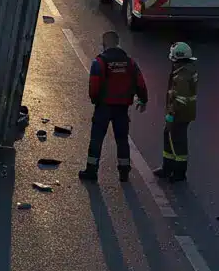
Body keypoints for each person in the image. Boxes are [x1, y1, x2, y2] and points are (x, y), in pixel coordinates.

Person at [78, 31, 149, 183]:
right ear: (117, 43)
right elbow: (140, 82)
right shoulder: (129, 62)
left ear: (104, 44)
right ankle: (124, 172)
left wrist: (95, 100)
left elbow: (94, 85)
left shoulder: (100, 62)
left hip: (103, 107)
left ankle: (91, 171)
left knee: (96, 139)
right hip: (122, 108)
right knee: (122, 140)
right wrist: (143, 100)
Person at [153, 42, 198, 183]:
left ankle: (179, 172)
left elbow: (180, 99)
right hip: (180, 112)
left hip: (180, 113)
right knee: (169, 136)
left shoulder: (182, 75)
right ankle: (167, 167)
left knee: (177, 141)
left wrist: (171, 114)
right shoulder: (184, 70)